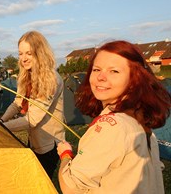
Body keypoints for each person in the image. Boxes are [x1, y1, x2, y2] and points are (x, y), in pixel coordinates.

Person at [57, 40, 171, 194]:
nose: (101, 77)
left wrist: (66, 155)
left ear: (134, 79)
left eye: (114, 71)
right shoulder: (139, 117)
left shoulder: (111, 126)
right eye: (96, 69)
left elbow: (70, 186)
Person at [0, 31, 65, 179]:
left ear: (39, 52)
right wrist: (2, 120)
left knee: (40, 183)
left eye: (28, 53)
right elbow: (17, 103)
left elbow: (33, 119)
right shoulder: (26, 75)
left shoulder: (51, 79)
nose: (23, 58)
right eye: (20, 53)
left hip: (49, 144)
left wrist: (1, 128)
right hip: (34, 139)